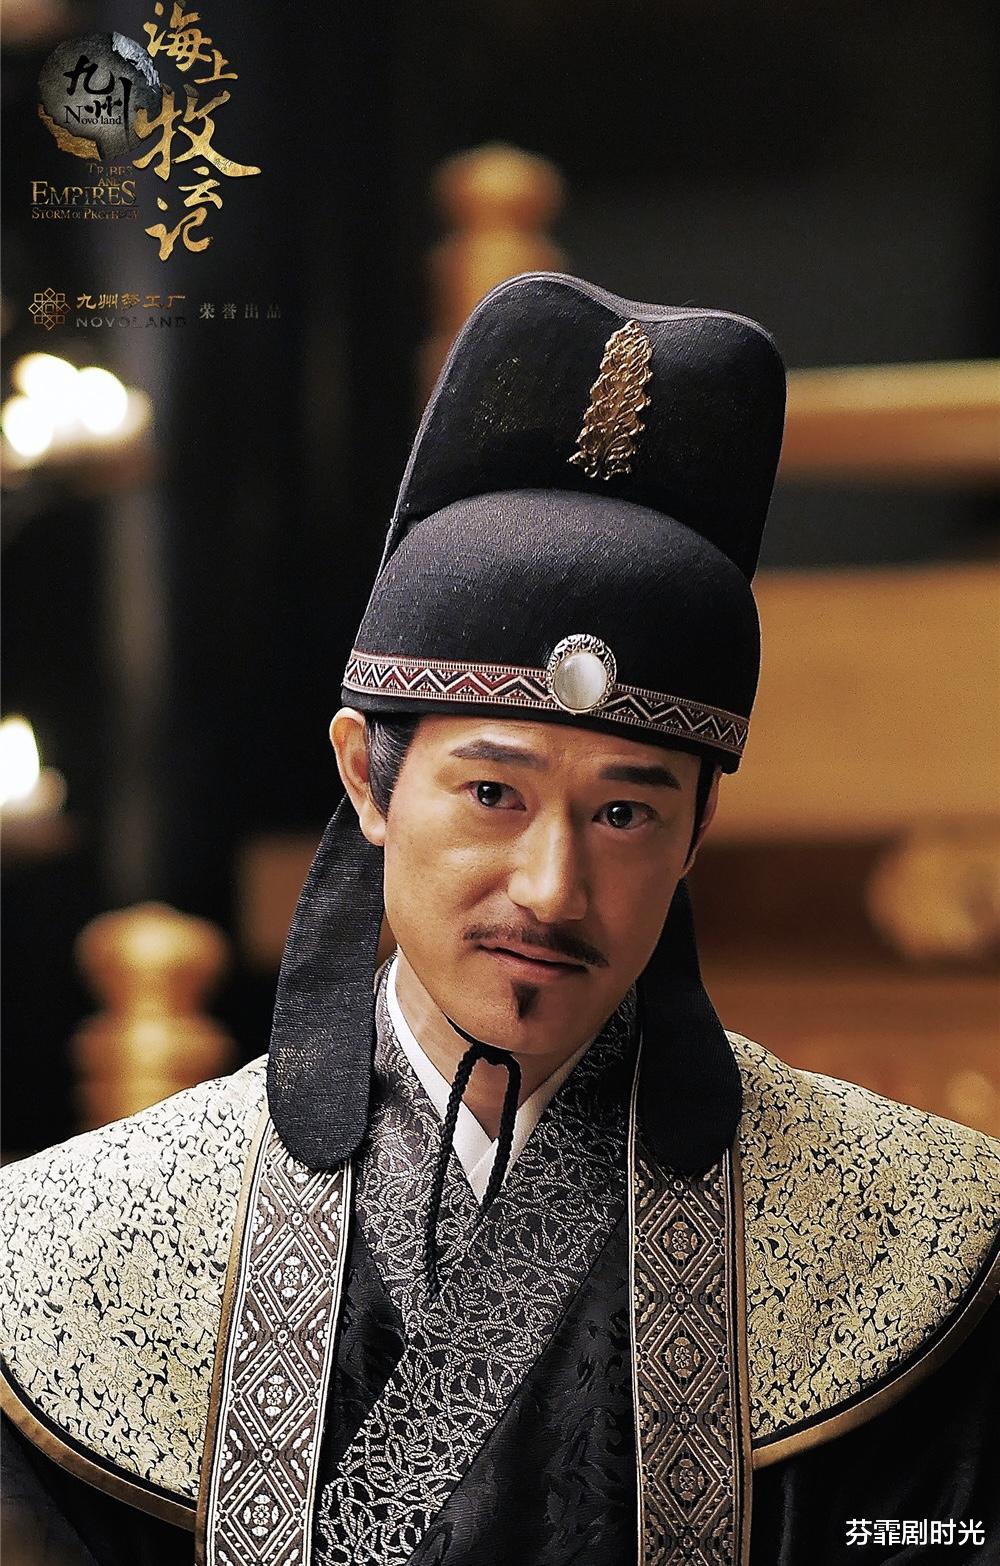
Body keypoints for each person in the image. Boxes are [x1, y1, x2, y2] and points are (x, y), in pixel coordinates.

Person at [2, 273, 998, 1566]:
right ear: (368, 778)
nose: (552, 886)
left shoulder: (913, 1240)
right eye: (493, 793)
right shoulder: (79, 1254)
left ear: (699, 829)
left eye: (626, 813)